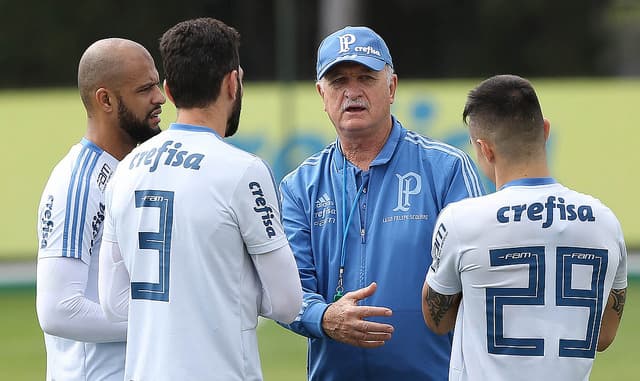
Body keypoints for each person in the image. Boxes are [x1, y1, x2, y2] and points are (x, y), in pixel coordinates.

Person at [97, 17, 303, 381]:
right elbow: (287, 303)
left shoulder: (125, 170)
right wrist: (224, 292)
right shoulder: (243, 170)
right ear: (232, 82)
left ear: (169, 91)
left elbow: (113, 305)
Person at [278, 25, 484, 380]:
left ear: (391, 87)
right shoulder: (299, 186)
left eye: (365, 77)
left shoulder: (446, 169)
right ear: (321, 93)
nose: (352, 91)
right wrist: (325, 318)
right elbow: (287, 293)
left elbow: (480, 277)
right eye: (339, 80)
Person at [422, 74, 627, 380]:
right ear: (545, 130)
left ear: (485, 149)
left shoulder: (461, 221)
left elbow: (437, 321)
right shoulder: (605, 221)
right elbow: (604, 336)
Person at [35, 38, 165, 381]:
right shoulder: (79, 183)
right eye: (145, 89)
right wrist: (163, 322)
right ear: (105, 99)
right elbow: (58, 310)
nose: (160, 98)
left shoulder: (130, 171)